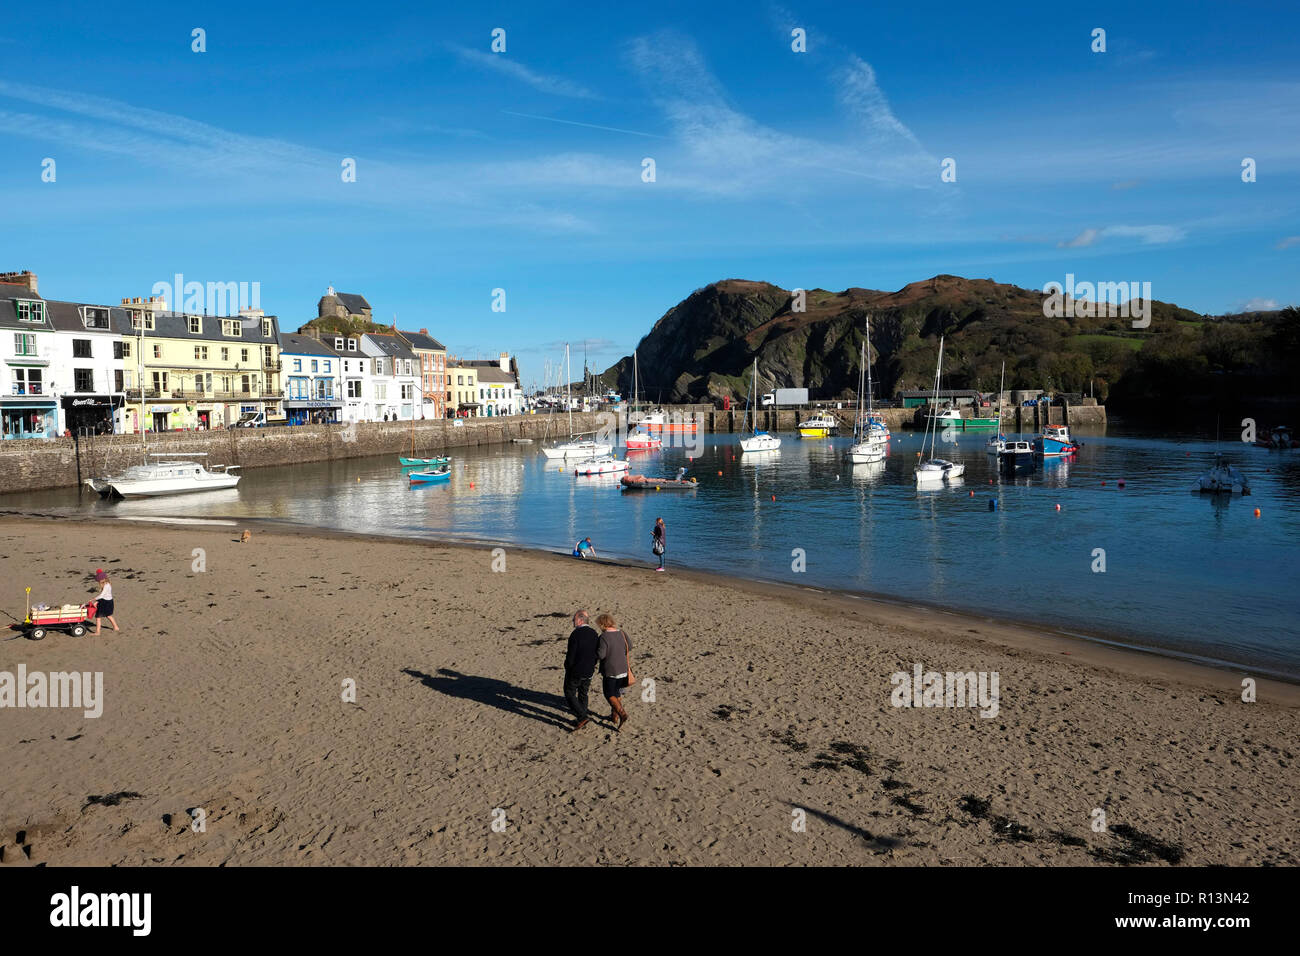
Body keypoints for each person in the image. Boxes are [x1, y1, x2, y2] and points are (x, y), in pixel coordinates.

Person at [564, 610, 600, 731]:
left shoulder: (576, 634)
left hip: (576, 670)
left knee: (569, 693)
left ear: (580, 620)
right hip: (589, 670)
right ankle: (582, 718)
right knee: (583, 693)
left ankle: (582, 716)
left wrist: (568, 667)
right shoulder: (594, 633)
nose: (572, 622)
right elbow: (597, 653)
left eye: (573, 620)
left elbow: (571, 655)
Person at [596, 613, 633, 729]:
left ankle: (622, 713)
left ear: (602, 624)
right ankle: (614, 716)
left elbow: (601, 655)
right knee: (617, 692)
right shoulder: (622, 633)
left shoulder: (603, 637)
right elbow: (630, 646)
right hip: (623, 668)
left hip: (610, 670)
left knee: (609, 693)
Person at [89, 568, 118, 635]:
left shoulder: (106, 586)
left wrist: (94, 599)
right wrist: (97, 601)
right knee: (109, 615)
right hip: (108, 601)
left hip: (106, 603)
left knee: (98, 617)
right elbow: (104, 596)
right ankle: (116, 627)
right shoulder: (108, 584)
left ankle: (98, 632)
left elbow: (102, 595)